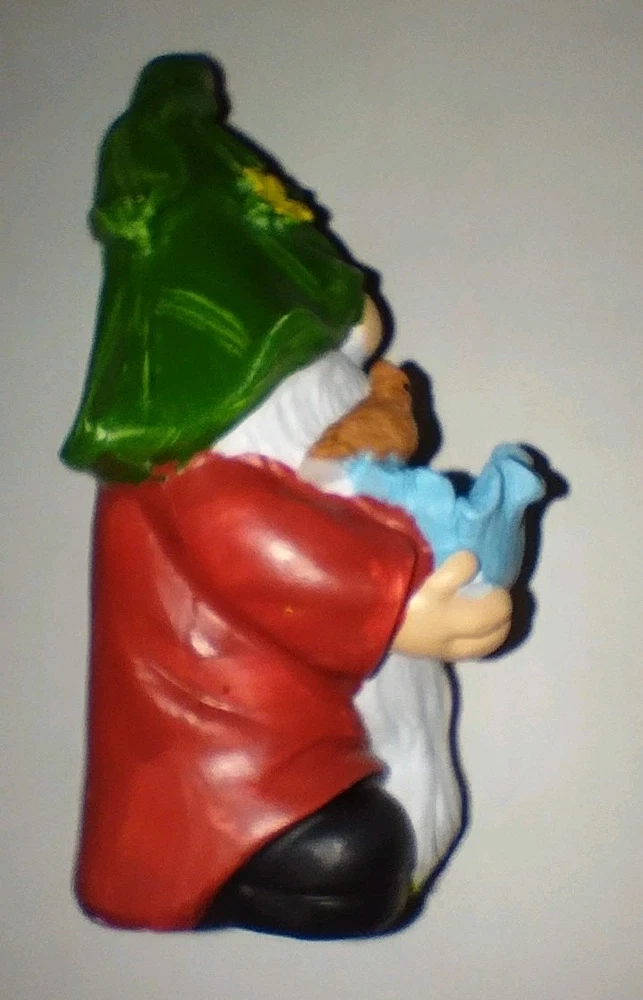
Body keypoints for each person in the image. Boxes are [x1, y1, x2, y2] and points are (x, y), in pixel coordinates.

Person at [61, 55, 512, 938]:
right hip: (235, 769)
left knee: (359, 851)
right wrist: (397, 610)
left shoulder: (281, 455)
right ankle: (248, 864)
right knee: (349, 855)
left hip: (293, 740)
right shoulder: (194, 471)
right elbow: (259, 547)